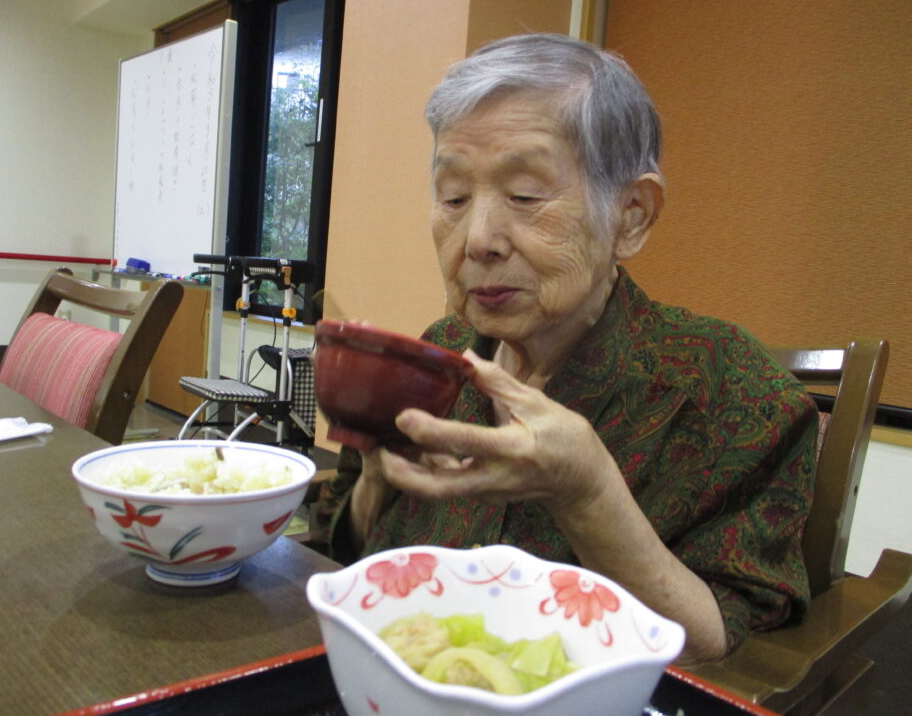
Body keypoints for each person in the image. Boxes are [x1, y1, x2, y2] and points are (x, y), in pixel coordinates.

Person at [313, 33, 817, 664]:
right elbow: (348, 556)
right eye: (454, 197)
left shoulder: (735, 393)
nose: (479, 240)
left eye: (525, 196)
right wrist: (376, 480)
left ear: (631, 214)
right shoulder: (436, 357)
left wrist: (587, 491)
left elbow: (724, 647)